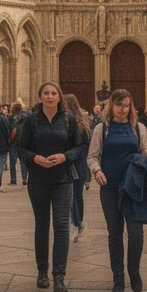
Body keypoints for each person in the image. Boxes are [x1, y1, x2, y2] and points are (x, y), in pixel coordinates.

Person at [86, 89, 147, 292]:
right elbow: (92, 156)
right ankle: (118, 278)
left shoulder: (138, 128)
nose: (123, 110)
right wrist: (97, 170)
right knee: (114, 234)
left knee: (136, 233)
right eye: (119, 105)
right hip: (110, 188)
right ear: (112, 106)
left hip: (133, 187)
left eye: (126, 105)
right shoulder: (102, 129)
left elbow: (145, 150)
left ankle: (133, 271)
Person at [17, 82, 84, 292]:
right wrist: (34, 158)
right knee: (42, 226)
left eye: (53, 93)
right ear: (40, 96)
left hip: (63, 179)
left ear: (59, 96)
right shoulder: (31, 120)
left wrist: (64, 157)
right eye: (46, 93)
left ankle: (59, 277)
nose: (50, 96)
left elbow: (78, 147)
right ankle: (42, 272)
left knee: (62, 227)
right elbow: (22, 147)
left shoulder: (68, 119)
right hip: (38, 179)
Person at [61, 93, 92, 242]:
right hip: (80, 164)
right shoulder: (84, 123)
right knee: (78, 195)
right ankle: (78, 223)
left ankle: (76, 224)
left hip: (71, 163)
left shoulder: (68, 122)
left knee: (71, 195)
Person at [11, 102, 30, 185]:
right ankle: (24, 179)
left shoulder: (11, 118)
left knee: (13, 162)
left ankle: (13, 179)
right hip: (23, 141)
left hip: (14, 142)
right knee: (23, 161)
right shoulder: (27, 117)